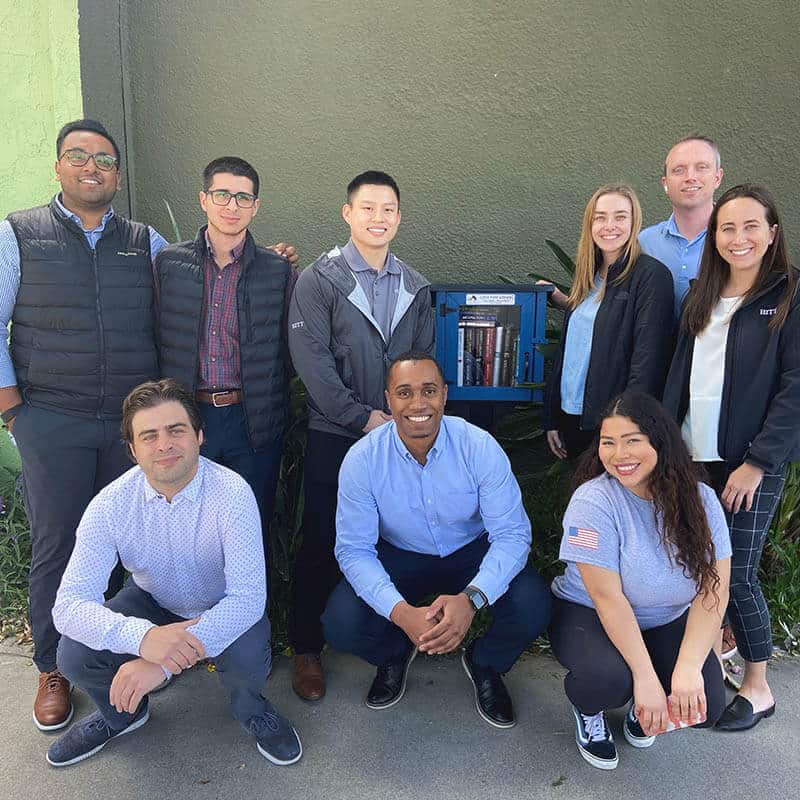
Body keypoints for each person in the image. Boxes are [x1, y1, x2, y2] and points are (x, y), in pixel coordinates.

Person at [0, 119, 166, 731]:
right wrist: (13, 410)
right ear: (58, 167)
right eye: (78, 156)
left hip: (127, 425)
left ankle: (111, 656)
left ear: (118, 174)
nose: (91, 167)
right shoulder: (19, 234)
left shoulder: (143, 241)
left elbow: (189, 288)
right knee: (59, 545)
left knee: (126, 547)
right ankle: (53, 668)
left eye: (104, 159)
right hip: (51, 417)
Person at [46, 379, 301, 768]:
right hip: (153, 602)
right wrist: (144, 637)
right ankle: (122, 715)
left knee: (248, 659)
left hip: (222, 604)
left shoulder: (233, 494)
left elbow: (248, 599)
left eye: (176, 430)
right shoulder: (109, 505)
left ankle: (253, 711)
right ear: (133, 450)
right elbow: (68, 606)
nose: (164, 444)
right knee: (73, 653)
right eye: (149, 436)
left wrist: (162, 663)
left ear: (199, 436)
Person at [322, 353, 551, 727]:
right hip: (402, 552)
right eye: (404, 393)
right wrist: (402, 614)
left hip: (471, 550)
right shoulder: (362, 459)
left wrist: (473, 599)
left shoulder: (479, 447)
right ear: (388, 399)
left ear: (444, 395)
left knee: (533, 605)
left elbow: (512, 535)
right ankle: (395, 652)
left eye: (428, 391)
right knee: (340, 623)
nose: (418, 404)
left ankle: (487, 661)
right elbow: (354, 549)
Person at [287, 171, 435, 701]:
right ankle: (306, 647)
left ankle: (388, 643)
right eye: (367, 208)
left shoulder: (415, 285)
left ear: (399, 217)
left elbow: (422, 362)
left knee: (391, 538)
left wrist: (405, 419)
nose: (378, 218)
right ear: (348, 214)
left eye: (388, 209)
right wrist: (362, 418)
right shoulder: (319, 280)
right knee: (322, 538)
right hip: (336, 433)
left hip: (400, 438)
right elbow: (313, 364)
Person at [663, 184, 800, 731]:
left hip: (749, 462)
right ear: (714, 236)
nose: (738, 238)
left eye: (750, 226)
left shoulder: (789, 294)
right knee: (698, 568)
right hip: (694, 458)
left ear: (771, 233)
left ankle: (758, 687)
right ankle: (709, 665)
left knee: (736, 573)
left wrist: (758, 462)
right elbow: (679, 376)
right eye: (727, 228)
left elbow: (794, 388)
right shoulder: (702, 294)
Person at [549, 391, 731, 770]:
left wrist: (687, 669)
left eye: (632, 440)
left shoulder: (702, 500)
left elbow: (713, 589)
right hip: (590, 612)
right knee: (609, 680)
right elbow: (608, 598)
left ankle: (644, 710)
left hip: (665, 616)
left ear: (660, 442)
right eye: (608, 442)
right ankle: (590, 709)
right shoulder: (593, 501)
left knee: (707, 703)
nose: (619, 454)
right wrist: (646, 678)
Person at [155, 156, 296, 567]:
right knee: (185, 528)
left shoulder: (277, 270)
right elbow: (155, 335)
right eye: (222, 195)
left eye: (242, 197)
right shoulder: (169, 264)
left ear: (255, 206)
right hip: (187, 416)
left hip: (252, 419)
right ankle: (187, 606)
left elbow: (289, 350)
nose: (231, 206)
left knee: (249, 527)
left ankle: (250, 606)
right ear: (204, 199)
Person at [543, 184, 674, 462]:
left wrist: (626, 426)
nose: (609, 226)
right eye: (600, 217)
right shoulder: (588, 275)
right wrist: (551, 417)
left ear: (634, 222)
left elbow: (648, 361)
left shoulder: (651, 276)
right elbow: (572, 347)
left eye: (620, 216)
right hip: (572, 415)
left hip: (612, 423)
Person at [639, 135, 724, 319]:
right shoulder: (644, 243)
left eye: (701, 167)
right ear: (665, 183)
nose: (690, 177)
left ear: (717, 177)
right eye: (679, 170)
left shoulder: (736, 242)